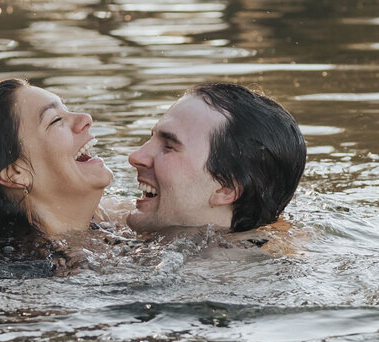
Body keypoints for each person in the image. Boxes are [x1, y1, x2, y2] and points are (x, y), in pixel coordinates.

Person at [0, 78, 113, 252]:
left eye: (67, 110)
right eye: (55, 120)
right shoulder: (47, 271)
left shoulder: (109, 221)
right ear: (14, 173)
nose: (86, 118)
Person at [126, 82, 305, 235]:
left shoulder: (226, 273)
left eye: (169, 146)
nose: (135, 157)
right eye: (152, 137)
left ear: (226, 189)